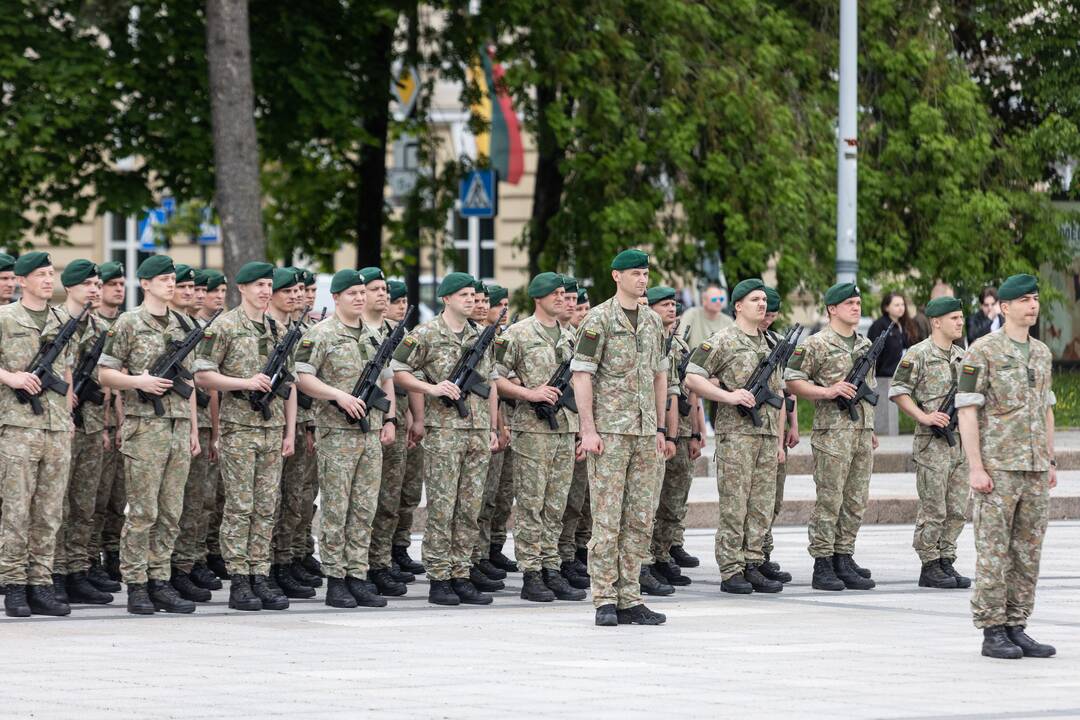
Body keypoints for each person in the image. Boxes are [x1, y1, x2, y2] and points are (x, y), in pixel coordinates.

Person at [956, 274, 1057, 660]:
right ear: (1005, 307)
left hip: (1032, 468)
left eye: (1035, 298)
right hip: (998, 469)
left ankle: (1017, 625)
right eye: (1025, 300)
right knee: (994, 552)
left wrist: (1048, 459)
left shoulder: (1042, 352)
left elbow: (1045, 409)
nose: (1032, 305)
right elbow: (966, 411)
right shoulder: (983, 351)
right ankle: (992, 629)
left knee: (1027, 552)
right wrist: (975, 467)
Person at [98, 254, 201, 615]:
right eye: (163, 279)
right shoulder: (129, 323)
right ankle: (137, 583)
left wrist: (193, 428)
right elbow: (105, 374)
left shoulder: (185, 323)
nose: (171, 284)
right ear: (145, 284)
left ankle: (160, 579)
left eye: (173, 278)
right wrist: (138, 381)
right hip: (145, 430)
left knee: (172, 511)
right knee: (143, 511)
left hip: (177, 427)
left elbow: (189, 381)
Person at [572, 249, 669, 627]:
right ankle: (605, 599)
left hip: (645, 433)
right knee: (608, 519)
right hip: (610, 433)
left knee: (640, 518)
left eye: (645, 273)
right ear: (616, 276)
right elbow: (582, 375)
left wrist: (660, 428)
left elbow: (661, 375)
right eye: (635, 273)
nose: (642, 279)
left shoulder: (652, 322)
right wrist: (588, 430)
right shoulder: (598, 319)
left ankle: (630, 596)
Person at [391, 272, 500, 607]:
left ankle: (461, 572)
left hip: (477, 431)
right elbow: (397, 371)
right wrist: (431, 388)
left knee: (469, 507)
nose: (471, 300)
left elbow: (491, 382)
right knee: (443, 506)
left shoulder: (481, 334)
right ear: (447, 298)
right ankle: (440, 576)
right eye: (464, 295)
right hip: (445, 433)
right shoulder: (425, 334)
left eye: (474, 295)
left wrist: (494, 427)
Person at [193, 261, 296, 612]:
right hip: (239, 429)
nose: (266, 291)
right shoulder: (224, 326)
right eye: (259, 285)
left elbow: (289, 384)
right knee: (240, 506)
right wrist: (245, 383)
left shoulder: (278, 330)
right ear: (243, 289)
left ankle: (260, 573)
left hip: (271, 428)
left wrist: (289, 430)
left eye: (269, 285)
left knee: (267, 507)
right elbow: (203, 376)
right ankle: (239, 578)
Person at [296, 269, 394, 609]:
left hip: (370, 433)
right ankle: (336, 578)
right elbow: (303, 378)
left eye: (361, 292)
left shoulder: (374, 335)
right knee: (337, 508)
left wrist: (390, 417)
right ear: (335, 297)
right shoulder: (321, 334)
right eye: (351, 293)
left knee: (365, 508)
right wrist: (338, 396)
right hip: (337, 433)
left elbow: (385, 379)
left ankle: (358, 574)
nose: (359, 297)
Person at [685, 279, 786, 594]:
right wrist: (728, 397)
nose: (762, 304)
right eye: (754, 299)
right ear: (738, 305)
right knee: (735, 504)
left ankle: (753, 562)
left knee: (761, 504)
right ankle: (731, 569)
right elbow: (692, 377)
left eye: (763, 300)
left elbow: (780, 393)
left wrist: (781, 438)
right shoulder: (722, 340)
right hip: (737, 436)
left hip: (767, 435)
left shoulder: (771, 343)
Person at [493, 272, 585, 602]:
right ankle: (532, 571)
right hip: (531, 429)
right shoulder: (517, 335)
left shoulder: (573, 336)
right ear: (539, 298)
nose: (563, 298)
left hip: (564, 428)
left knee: (556, 503)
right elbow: (495, 379)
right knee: (532, 503)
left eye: (564, 293)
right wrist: (529, 393)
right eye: (556, 294)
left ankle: (552, 567)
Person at [784, 282, 878, 592]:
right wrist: (827, 391)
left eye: (858, 301)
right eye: (849, 302)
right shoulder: (816, 344)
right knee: (830, 499)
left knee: (855, 499)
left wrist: (871, 427)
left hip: (861, 432)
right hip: (833, 433)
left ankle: (843, 555)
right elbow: (792, 380)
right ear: (831, 309)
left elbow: (871, 389)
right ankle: (822, 562)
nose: (856, 307)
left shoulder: (865, 345)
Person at [0, 252, 76, 617]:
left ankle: (40, 583)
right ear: (21, 280)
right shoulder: (5, 317)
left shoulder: (63, 320)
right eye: (41, 274)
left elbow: (68, 371)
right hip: (18, 428)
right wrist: (10, 377)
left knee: (49, 511)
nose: (49, 280)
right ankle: (14, 585)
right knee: (16, 510)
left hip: (57, 427)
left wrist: (70, 415)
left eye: (51, 274)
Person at [889, 296, 971, 590]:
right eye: (954, 318)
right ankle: (929, 563)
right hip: (932, 444)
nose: (960, 322)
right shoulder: (918, 354)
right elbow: (899, 391)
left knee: (958, 506)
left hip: (960, 443)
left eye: (961, 318)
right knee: (934, 506)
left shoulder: (963, 356)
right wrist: (924, 417)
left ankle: (946, 558)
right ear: (936, 322)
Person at [54, 260, 114, 606]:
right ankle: (55, 571)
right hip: (61, 423)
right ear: (72, 287)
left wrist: (105, 425)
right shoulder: (56, 322)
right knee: (57, 503)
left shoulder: (100, 326)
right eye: (88, 284)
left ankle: (79, 570)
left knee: (84, 504)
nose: (95, 288)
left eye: (97, 283)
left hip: (91, 425)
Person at [165, 264, 221, 604]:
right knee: (169, 504)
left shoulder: (196, 329)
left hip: (193, 422)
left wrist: (210, 429)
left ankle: (186, 564)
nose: (193, 293)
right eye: (184, 287)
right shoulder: (147, 324)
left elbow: (197, 383)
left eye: (193, 287)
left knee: (197, 502)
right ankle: (165, 571)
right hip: (163, 423)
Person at [264, 268, 320, 600]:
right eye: (291, 290)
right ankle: (269, 565)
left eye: (302, 290)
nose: (298, 295)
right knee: (271, 501)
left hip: (297, 424)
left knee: (295, 499)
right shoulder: (270, 329)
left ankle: (287, 559)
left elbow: (294, 384)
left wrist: (302, 426)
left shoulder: (298, 330)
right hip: (264, 424)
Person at [646, 287, 704, 591]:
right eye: (664, 305)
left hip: (680, 431)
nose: (672, 309)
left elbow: (691, 393)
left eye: (673, 305)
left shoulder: (679, 345)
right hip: (659, 431)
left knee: (674, 499)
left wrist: (696, 431)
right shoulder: (652, 342)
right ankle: (647, 559)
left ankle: (663, 553)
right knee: (652, 500)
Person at [90, 261, 127, 584]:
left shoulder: (123, 324)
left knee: (118, 497)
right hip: (94, 421)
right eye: (112, 283)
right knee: (94, 498)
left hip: (123, 422)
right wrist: (104, 424)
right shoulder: (90, 324)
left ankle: (112, 554)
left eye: (121, 283)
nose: (118, 289)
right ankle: (88, 559)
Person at [386, 280, 426, 577]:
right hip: (383, 420)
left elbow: (411, 382)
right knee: (385, 491)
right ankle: (382, 553)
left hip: (402, 420)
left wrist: (416, 417)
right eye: (396, 301)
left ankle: (399, 545)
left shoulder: (404, 335)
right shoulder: (381, 335)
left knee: (407, 490)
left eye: (403, 302)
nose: (401, 306)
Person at [760, 287, 797, 583]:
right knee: (752, 499)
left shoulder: (776, 342)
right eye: (763, 312)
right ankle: (750, 557)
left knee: (772, 498)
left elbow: (784, 393)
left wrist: (791, 427)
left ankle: (763, 552)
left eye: (771, 314)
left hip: (776, 429)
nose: (767, 318)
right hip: (750, 432)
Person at [481, 283, 518, 574]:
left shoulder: (504, 338)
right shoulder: (485, 339)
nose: (503, 310)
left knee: (502, 494)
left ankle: (493, 547)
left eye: (506, 304)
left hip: (504, 420)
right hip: (486, 422)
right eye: (498, 304)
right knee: (484, 494)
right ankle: (479, 554)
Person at [559, 286, 592, 590]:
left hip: (580, 430)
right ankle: (560, 557)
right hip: (555, 429)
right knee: (563, 501)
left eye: (579, 304)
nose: (574, 307)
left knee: (580, 501)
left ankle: (574, 552)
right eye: (570, 302)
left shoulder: (581, 339)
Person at [198, 270, 229, 580]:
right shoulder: (207, 331)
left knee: (215, 497)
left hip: (209, 422)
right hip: (194, 423)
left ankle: (209, 551)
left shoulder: (220, 328)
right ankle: (193, 558)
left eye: (222, 290)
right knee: (198, 497)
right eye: (212, 291)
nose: (218, 296)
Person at [868, 292, 913, 436]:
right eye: (897, 305)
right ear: (886, 307)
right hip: (883, 376)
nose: (901, 308)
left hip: (897, 373)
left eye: (902, 305)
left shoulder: (901, 325)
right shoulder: (879, 325)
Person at [680, 284, 734, 351]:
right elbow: (680, 340)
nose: (718, 302)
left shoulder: (728, 321)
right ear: (704, 301)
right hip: (693, 359)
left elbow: (732, 347)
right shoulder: (691, 314)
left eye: (721, 299)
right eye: (714, 299)